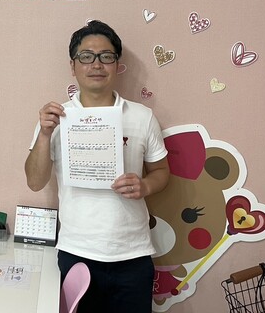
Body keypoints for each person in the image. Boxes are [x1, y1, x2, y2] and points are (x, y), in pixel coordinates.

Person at [25, 20, 169, 312]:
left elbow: (162, 172)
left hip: (133, 254)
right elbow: (35, 182)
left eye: (106, 56)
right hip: (76, 252)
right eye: (86, 56)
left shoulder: (142, 116)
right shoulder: (55, 119)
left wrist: (144, 186)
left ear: (117, 65)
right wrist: (44, 134)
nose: (96, 64)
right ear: (73, 65)